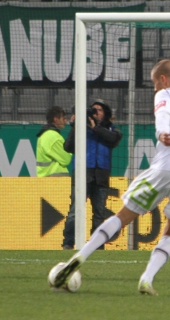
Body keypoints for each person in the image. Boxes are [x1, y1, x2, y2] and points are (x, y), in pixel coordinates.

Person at [51, 59, 170, 295]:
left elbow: (162, 118)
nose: (155, 88)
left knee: (123, 216)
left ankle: (77, 258)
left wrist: (162, 133)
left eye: (154, 83)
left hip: (166, 169)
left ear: (163, 79)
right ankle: (147, 279)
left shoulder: (165, 94)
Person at [61, 100, 123, 250]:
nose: (96, 113)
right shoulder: (81, 129)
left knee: (99, 213)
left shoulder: (111, 130)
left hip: (101, 175)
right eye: (93, 110)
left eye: (99, 110)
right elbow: (68, 147)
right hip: (82, 173)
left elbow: (113, 139)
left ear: (105, 113)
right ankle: (68, 242)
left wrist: (95, 128)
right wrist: (76, 126)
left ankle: (97, 244)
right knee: (75, 211)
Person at [36, 106, 73, 177]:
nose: (65, 122)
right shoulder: (54, 137)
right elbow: (66, 159)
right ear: (56, 119)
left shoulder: (43, 135)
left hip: (46, 179)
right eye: (63, 119)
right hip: (55, 181)